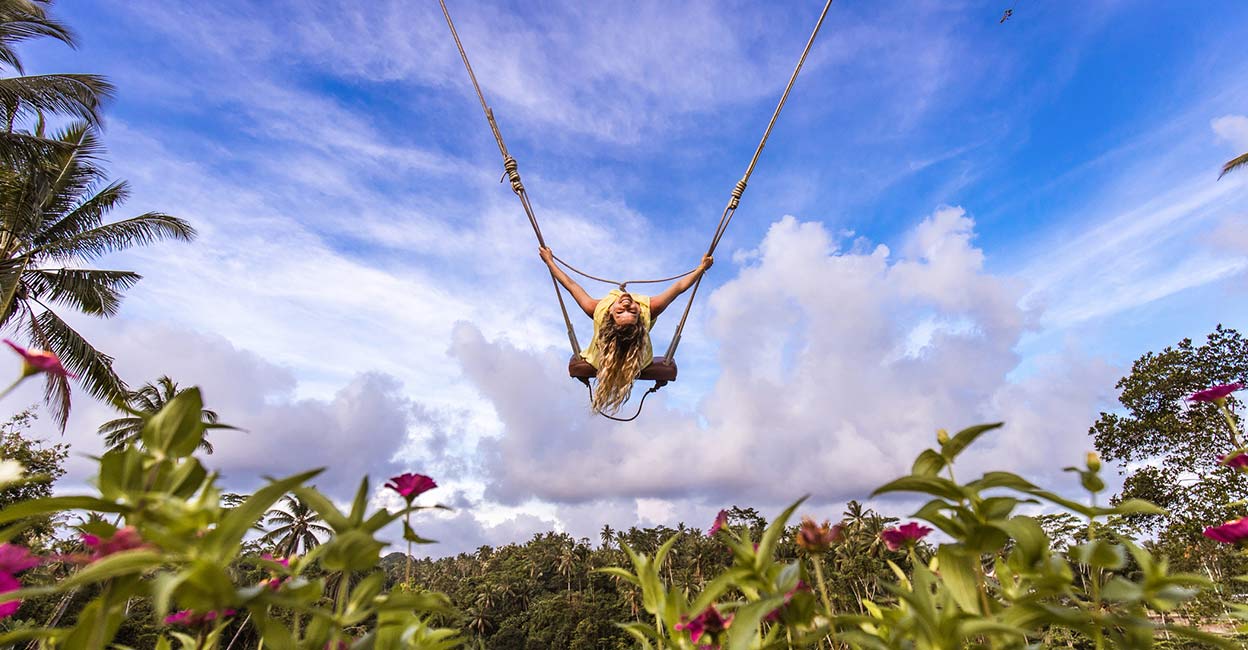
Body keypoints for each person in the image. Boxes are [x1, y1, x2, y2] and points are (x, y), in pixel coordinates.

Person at [540, 247, 713, 414]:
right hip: (639, 359)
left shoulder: (597, 309)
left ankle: (619, 360)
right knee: (628, 359)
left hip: (601, 357)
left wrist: (549, 261)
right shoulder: (650, 308)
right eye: (631, 311)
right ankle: (627, 359)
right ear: (640, 317)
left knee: (604, 362)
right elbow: (679, 287)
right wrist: (701, 268)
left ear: (610, 316)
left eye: (622, 311)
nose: (627, 304)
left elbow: (571, 285)